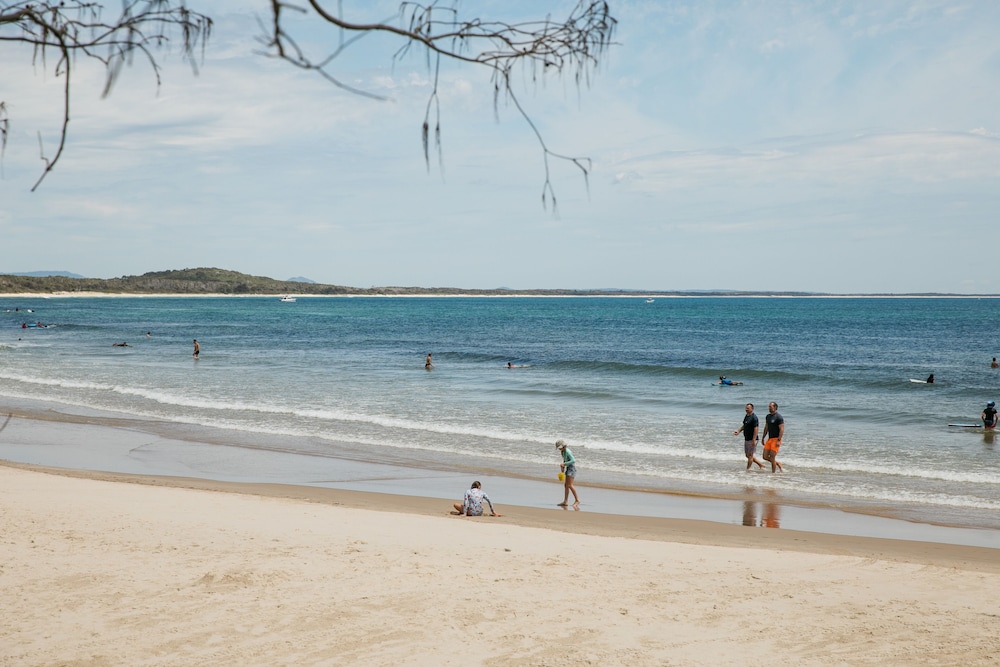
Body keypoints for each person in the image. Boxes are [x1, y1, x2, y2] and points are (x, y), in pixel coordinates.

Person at [733, 403, 764, 470]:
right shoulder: (747, 416)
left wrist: (754, 439)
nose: (746, 409)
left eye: (748, 408)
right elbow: (744, 425)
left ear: (752, 409)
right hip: (747, 438)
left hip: (752, 439)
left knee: (750, 455)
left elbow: (756, 429)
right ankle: (761, 465)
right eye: (746, 408)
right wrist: (738, 431)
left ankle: (748, 469)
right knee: (747, 455)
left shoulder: (754, 417)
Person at [555, 439, 580, 507]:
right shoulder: (563, 452)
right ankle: (565, 501)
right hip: (568, 468)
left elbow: (573, 460)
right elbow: (565, 460)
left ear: (563, 446)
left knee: (570, 485)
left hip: (572, 469)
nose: (559, 449)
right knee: (566, 485)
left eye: (559, 447)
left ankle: (577, 500)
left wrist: (564, 464)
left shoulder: (567, 451)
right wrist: (563, 467)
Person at [762, 402, 784, 473]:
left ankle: (773, 473)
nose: (769, 408)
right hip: (770, 439)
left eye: (770, 407)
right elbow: (766, 427)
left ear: (775, 408)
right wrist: (763, 437)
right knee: (765, 456)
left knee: (772, 457)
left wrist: (779, 440)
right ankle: (778, 463)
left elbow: (782, 429)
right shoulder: (768, 416)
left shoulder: (779, 417)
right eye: (769, 407)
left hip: (776, 439)